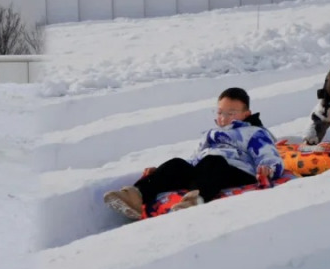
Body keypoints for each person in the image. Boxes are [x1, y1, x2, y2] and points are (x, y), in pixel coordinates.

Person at [104, 87, 283, 221]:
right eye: (220, 112)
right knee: (177, 164)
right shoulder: (210, 134)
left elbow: (269, 155)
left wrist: (268, 168)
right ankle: (135, 196)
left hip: (236, 171)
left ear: (246, 114)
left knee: (214, 161)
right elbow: (196, 158)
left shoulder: (253, 132)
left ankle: (194, 200)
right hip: (208, 169)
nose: (224, 117)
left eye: (231, 113)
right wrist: (162, 172)